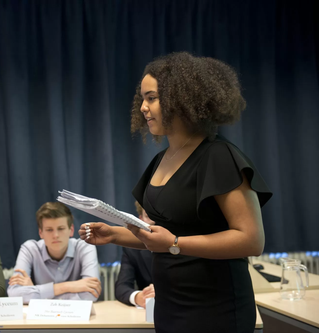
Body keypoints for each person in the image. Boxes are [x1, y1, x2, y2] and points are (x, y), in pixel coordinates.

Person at [80, 52, 272, 333]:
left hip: (215, 309)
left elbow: (251, 240)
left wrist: (176, 243)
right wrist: (113, 234)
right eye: (142, 99)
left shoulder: (218, 155)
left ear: (182, 99)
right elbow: (160, 234)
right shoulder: (161, 160)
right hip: (170, 306)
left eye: (151, 98)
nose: (143, 107)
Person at [7, 202, 101, 304]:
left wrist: (34, 291)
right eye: (49, 230)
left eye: (61, 229)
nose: (55, 235)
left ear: (71, 230)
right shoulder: (29, 249)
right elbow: (14, 294)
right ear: (40, 233)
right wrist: (69, 286)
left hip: (77, 319)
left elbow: (92, 293)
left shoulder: (85, 247)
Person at [115, 202, 154, 307]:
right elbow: (121, 287)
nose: (155, 221)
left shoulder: (184, 244)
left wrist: (164, 291)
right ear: (141, 220)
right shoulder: (132, 250)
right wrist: (139, 297)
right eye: (150, 215)